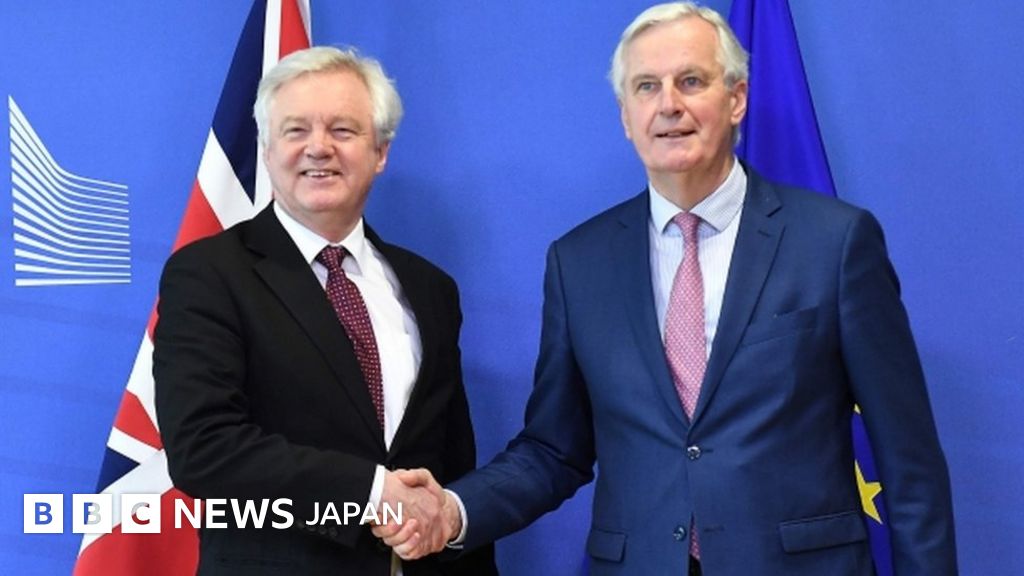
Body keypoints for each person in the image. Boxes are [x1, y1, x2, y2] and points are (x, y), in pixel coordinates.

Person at [375, 3, 957, 575]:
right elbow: (554, 448)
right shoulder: (578, 263)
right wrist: (454, 510)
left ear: (736, 98)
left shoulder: (835, 242)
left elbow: (909, 460)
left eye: (691, 81)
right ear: (626, 116)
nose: (669, 104)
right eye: (646, 86)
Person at [153, 46, 497, 576]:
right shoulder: (209, 274)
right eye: (295, 130)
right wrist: (372, 491)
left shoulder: (430, 288)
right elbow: (204, 447)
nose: (318, 147)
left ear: (380, 152)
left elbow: (452, 463)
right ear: (267, 151)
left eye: (342, 130)